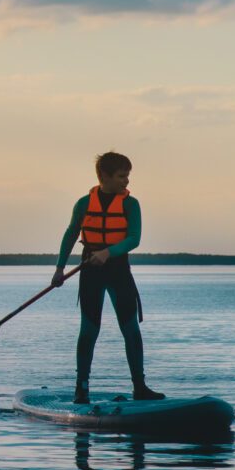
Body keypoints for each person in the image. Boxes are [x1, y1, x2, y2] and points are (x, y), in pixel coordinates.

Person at [54, 151, 164, 405]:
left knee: (130, 329)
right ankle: (81, 389)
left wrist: (108, 252)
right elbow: (71, 234)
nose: (126, 181)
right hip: (90, 269)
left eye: (127, 176)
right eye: (121, 176)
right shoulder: (83, 203)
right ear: (104, 176)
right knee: (89, 330)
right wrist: (59, 269)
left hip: (118, 270)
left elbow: (134, 238)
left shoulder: (130, 204)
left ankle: (140, 387)